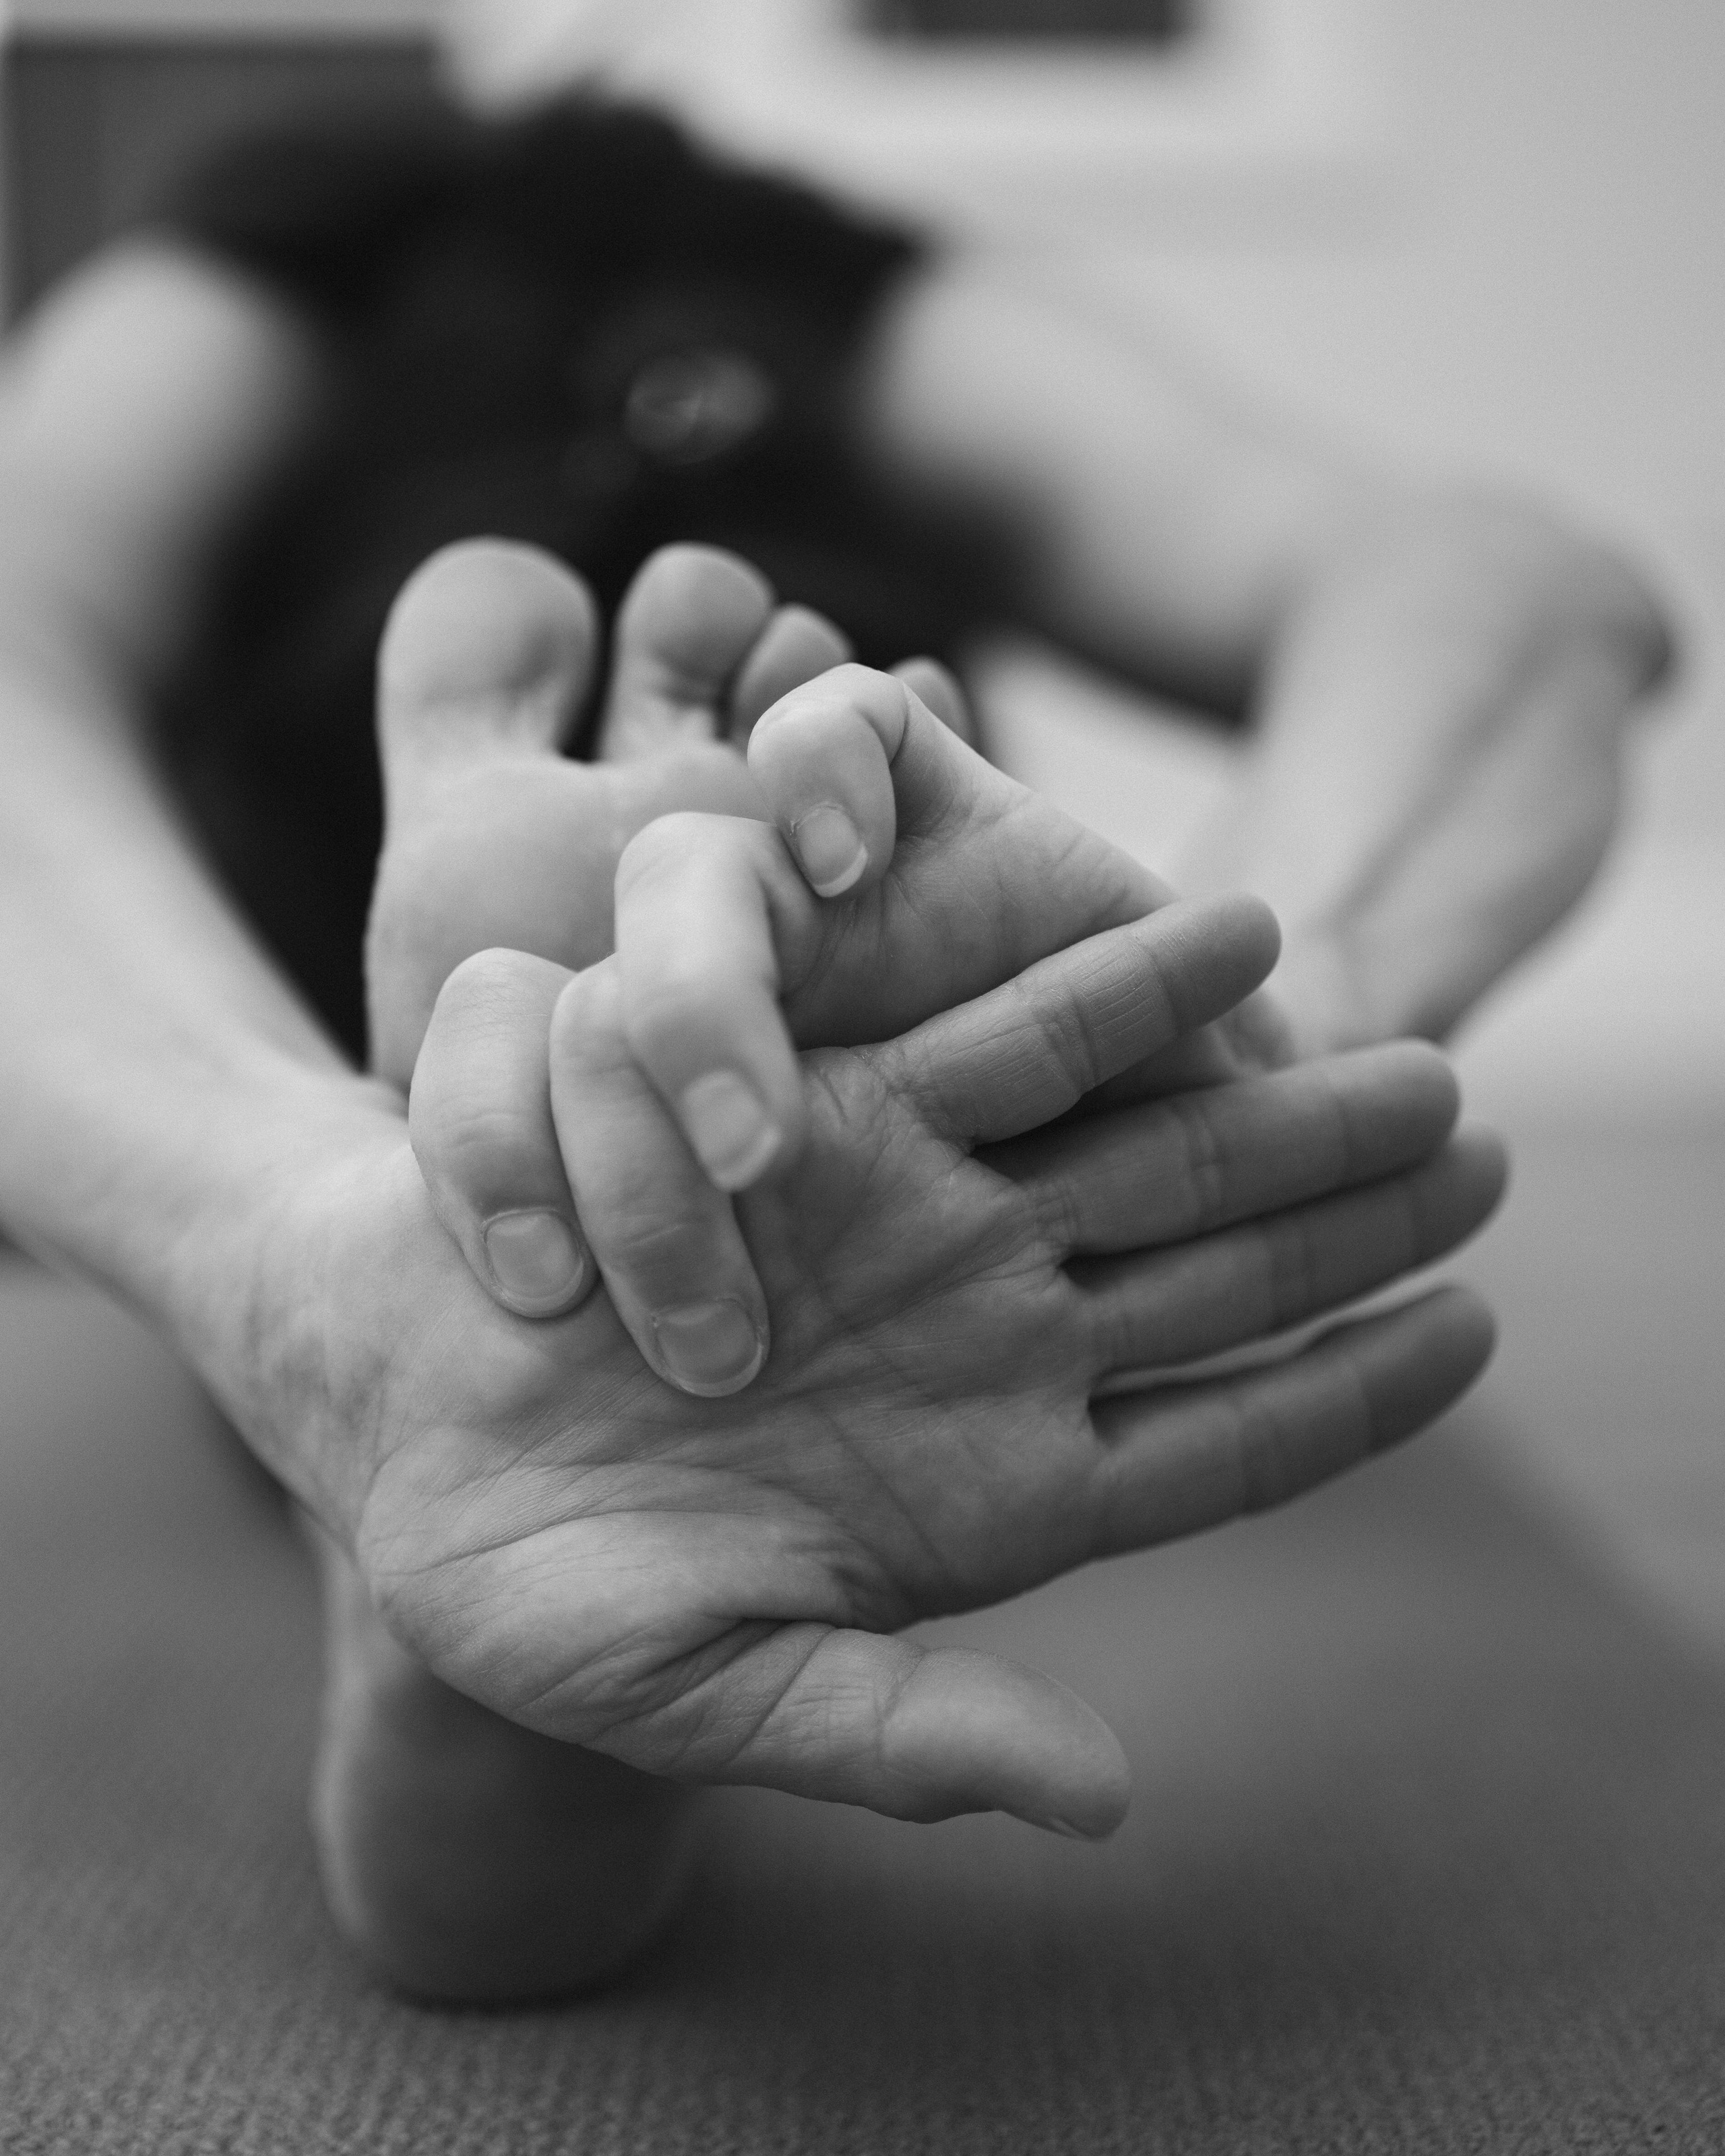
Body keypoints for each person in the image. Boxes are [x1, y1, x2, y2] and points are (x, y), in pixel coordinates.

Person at [0, 78, 1665, 1999]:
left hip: (903, 1067)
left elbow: (1502, 591)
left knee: (829, 823)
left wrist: (1237, 1039)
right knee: (680, 887)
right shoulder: (297, 217)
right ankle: (388, 1265)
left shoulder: (818, 271)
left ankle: (558, 1279)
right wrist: (275, 1213)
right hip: (327, 964)